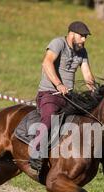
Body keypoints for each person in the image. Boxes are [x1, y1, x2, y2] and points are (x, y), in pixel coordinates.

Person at [29, 21, 96, 172]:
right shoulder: (58, 43)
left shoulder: (82, 52)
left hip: (69, 97)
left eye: (86, 37)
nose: (84, 40)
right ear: (71, 34)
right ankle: (36, 152)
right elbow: (46, 63)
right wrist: (59, 85)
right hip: (49, 94)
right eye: (82, 36)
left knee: (90, 119)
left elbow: (87, 74)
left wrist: (94, 91)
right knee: (50, 117)